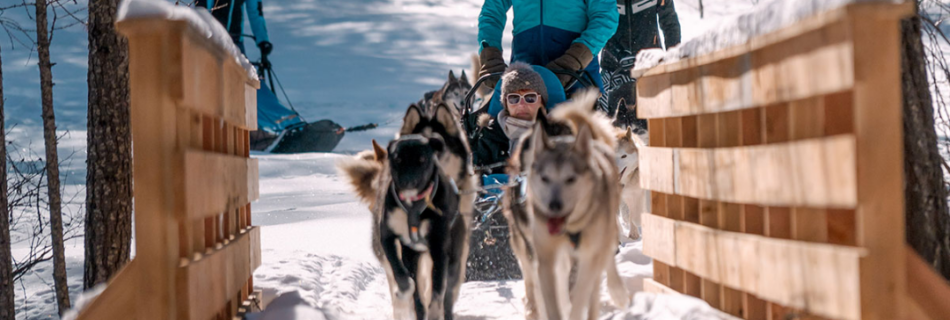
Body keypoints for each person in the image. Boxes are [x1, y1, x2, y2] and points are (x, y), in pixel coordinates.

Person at [476, 0, 619, 94]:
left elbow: (605, 17)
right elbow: (492, 12)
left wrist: (574, 59)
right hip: (523, 74)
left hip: (577, 77)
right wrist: (490, 56)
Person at [472, 63, 569, 175]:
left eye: (530, 98)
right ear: (506, 104)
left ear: (542, 102)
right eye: (514, 98)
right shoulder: (489, 136)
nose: (521, 105)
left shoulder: (559, 136)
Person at [599, 0, 681, 129]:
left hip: (649, 65)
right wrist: (616, 54)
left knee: (656, 126)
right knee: (609, 126)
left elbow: (669, 22)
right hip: (612, 67)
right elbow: (598, 21)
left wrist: (673, 57)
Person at [196, 0, 273, 56]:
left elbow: (255, 11)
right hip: (212, 39)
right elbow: (202, 9)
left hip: (236, 41)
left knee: (243, 75)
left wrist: (263, 40)